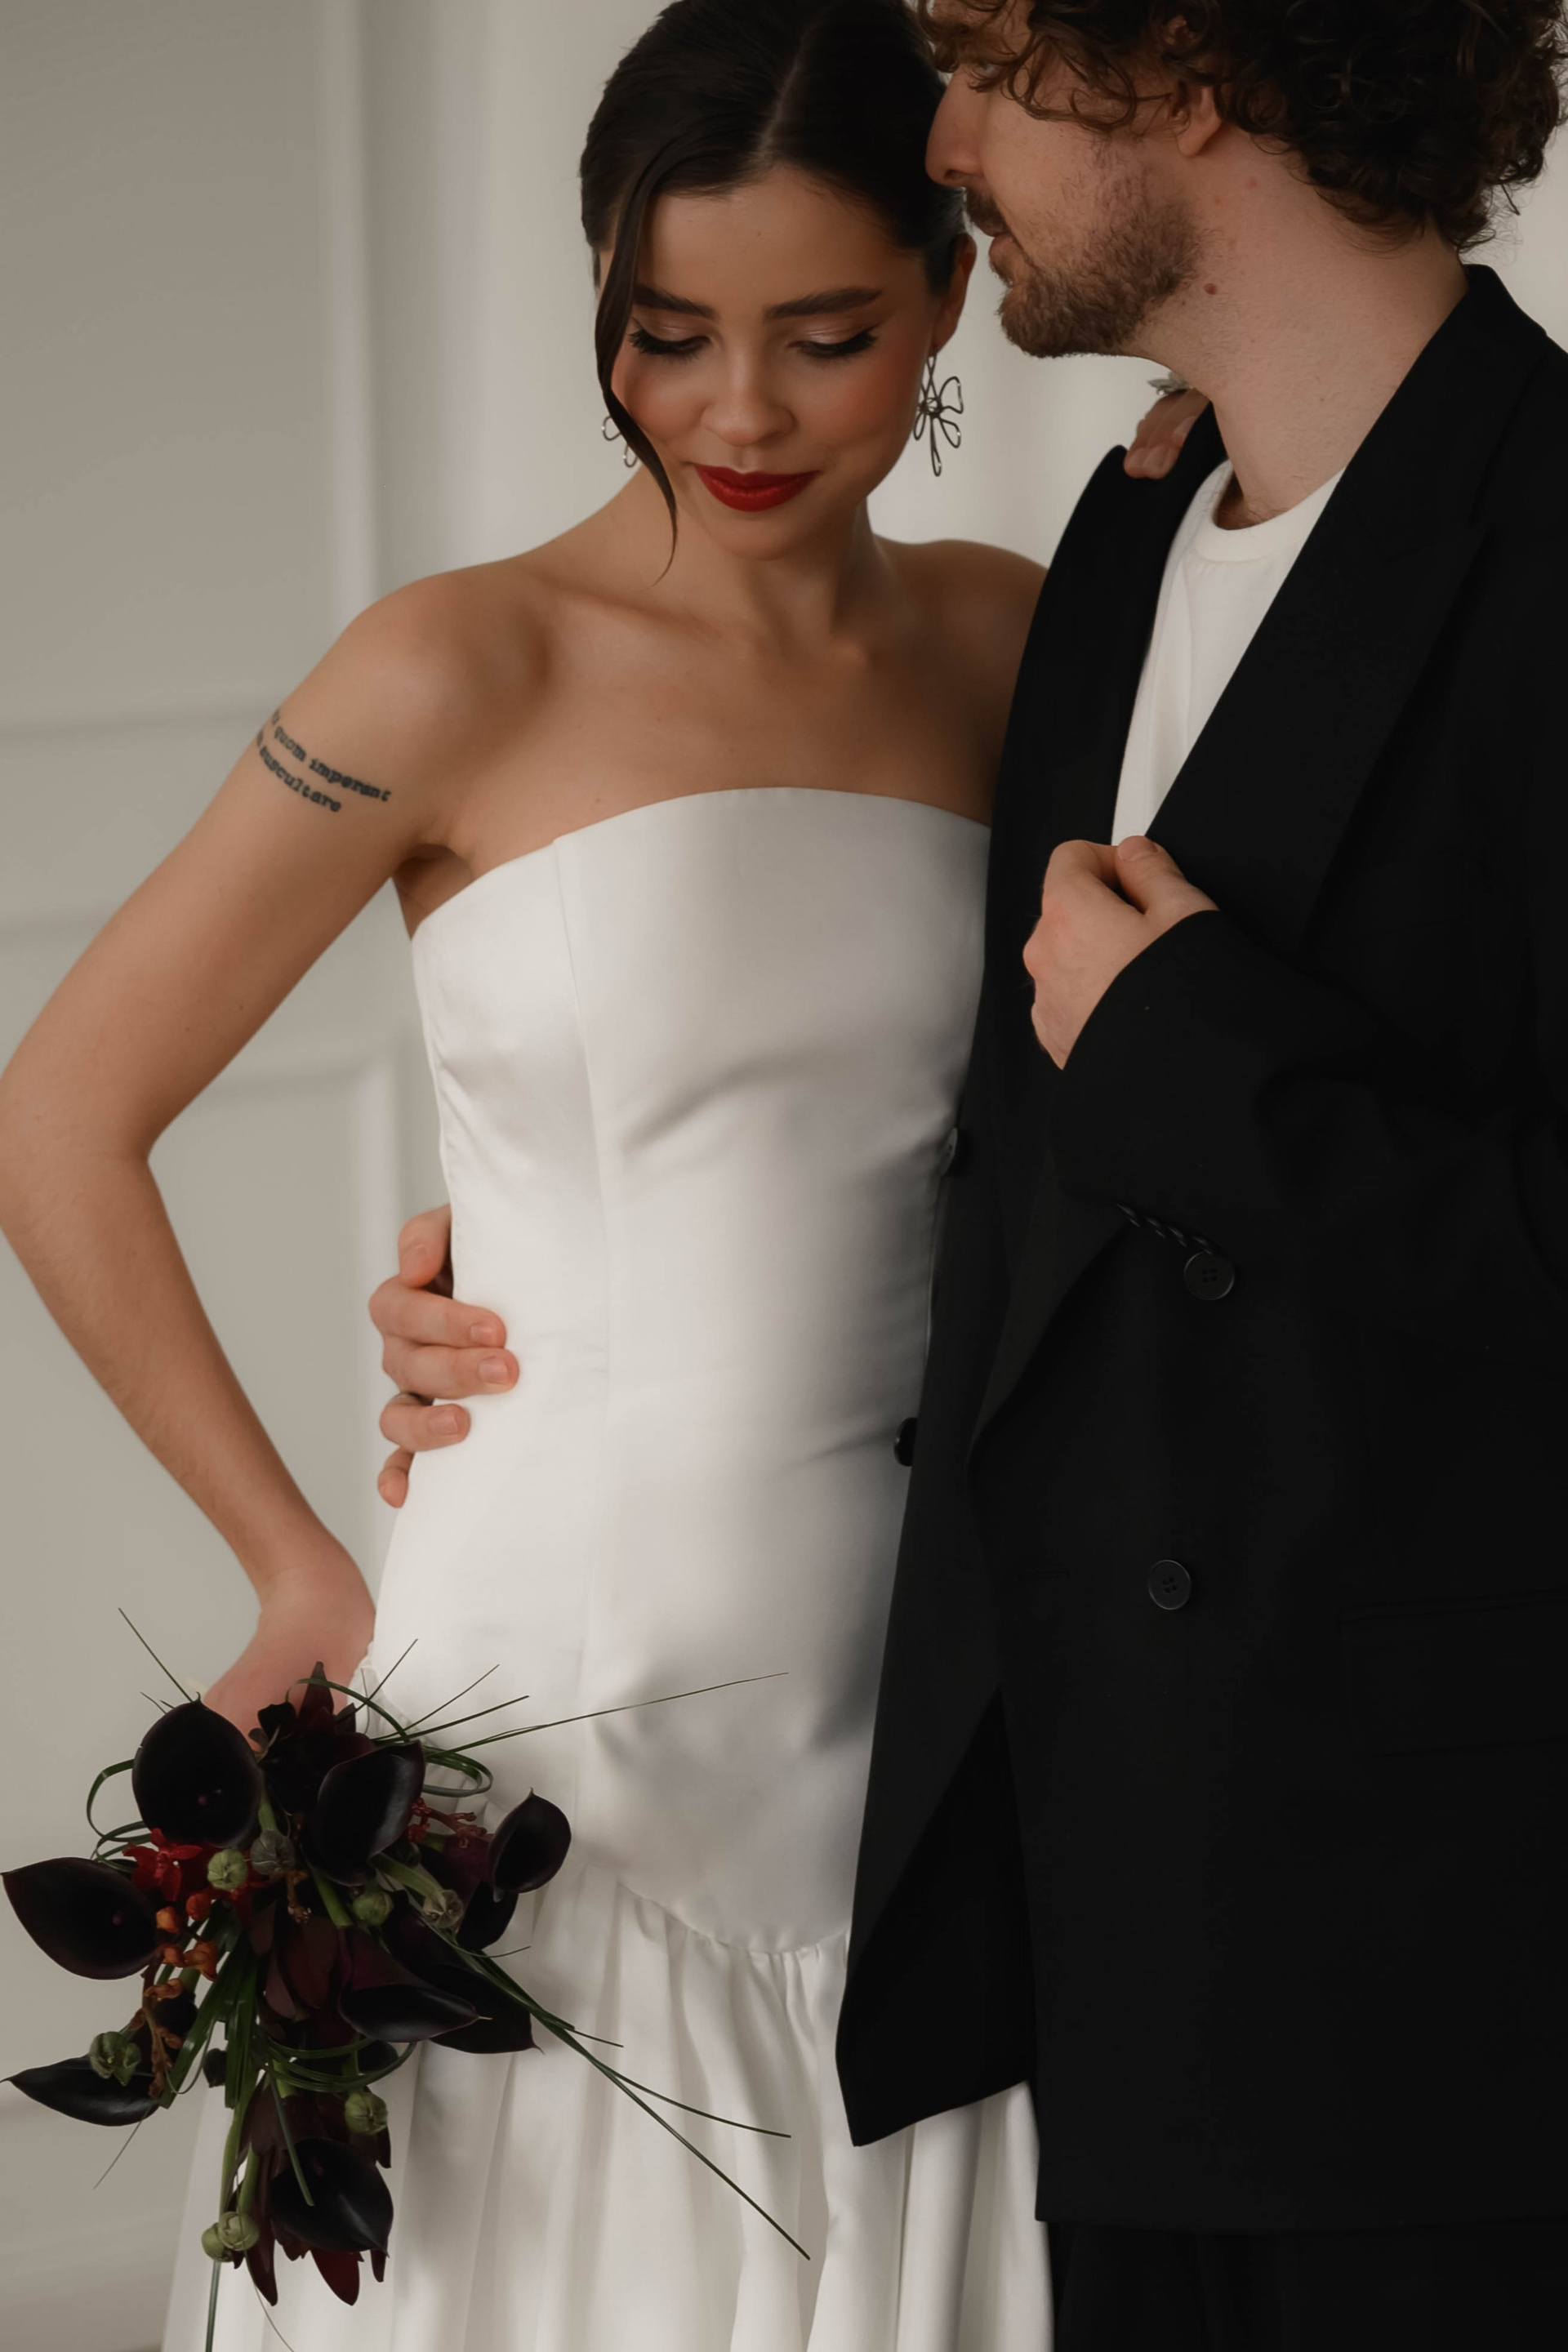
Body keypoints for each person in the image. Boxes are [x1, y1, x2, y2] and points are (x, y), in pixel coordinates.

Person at [0, 2, 1196, 2345]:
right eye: (666, 335)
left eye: (825, 338)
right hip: (558, 1709)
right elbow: (62, 1116)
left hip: (929, 1688)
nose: (737, 414)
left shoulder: (1013, 639)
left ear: (950, 291)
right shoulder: (454, 666)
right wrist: (292, 1562)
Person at [380, 2, 1568, 2345]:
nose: (942, 132)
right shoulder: (1120, 550)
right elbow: (1024, 1190)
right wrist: (559, 1263)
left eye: (994, 62)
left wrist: (1205, 1062)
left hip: (1447, 2011)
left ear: (1191, 62)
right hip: (1097, 1983)